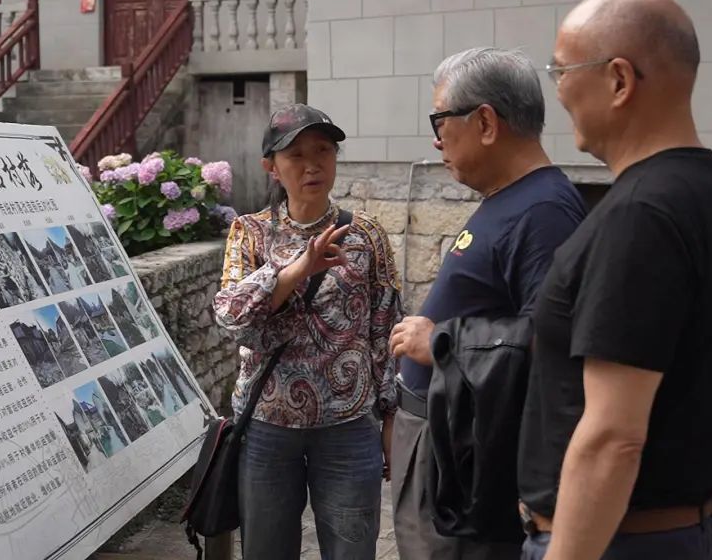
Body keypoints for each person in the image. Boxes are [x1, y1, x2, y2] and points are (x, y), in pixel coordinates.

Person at [518, 0, 712, 560]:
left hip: (617, 541)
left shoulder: (640, 217)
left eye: (561, 69)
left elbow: (613, 438)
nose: (558, 90)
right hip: (676, 531)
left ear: (619, 80)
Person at [387, 48, 586, 559]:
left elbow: (550, 343)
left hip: (465, 454)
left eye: (440, 119)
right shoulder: (512, 197)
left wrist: (444, 343)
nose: (435, 138)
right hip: (441, 436)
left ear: (485, 122)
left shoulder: (543, 211)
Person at [213, 103, 401, 560]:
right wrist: (300, 268)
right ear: (271, 167)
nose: (312, 164)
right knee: (267, 550)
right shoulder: (249, 233)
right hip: (266, 426)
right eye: (295, 154)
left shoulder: (367, 235)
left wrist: (391, 419)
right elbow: (231, 314)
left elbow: (386, 329)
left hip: (348, 426)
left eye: (323, 150)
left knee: (352, 550)